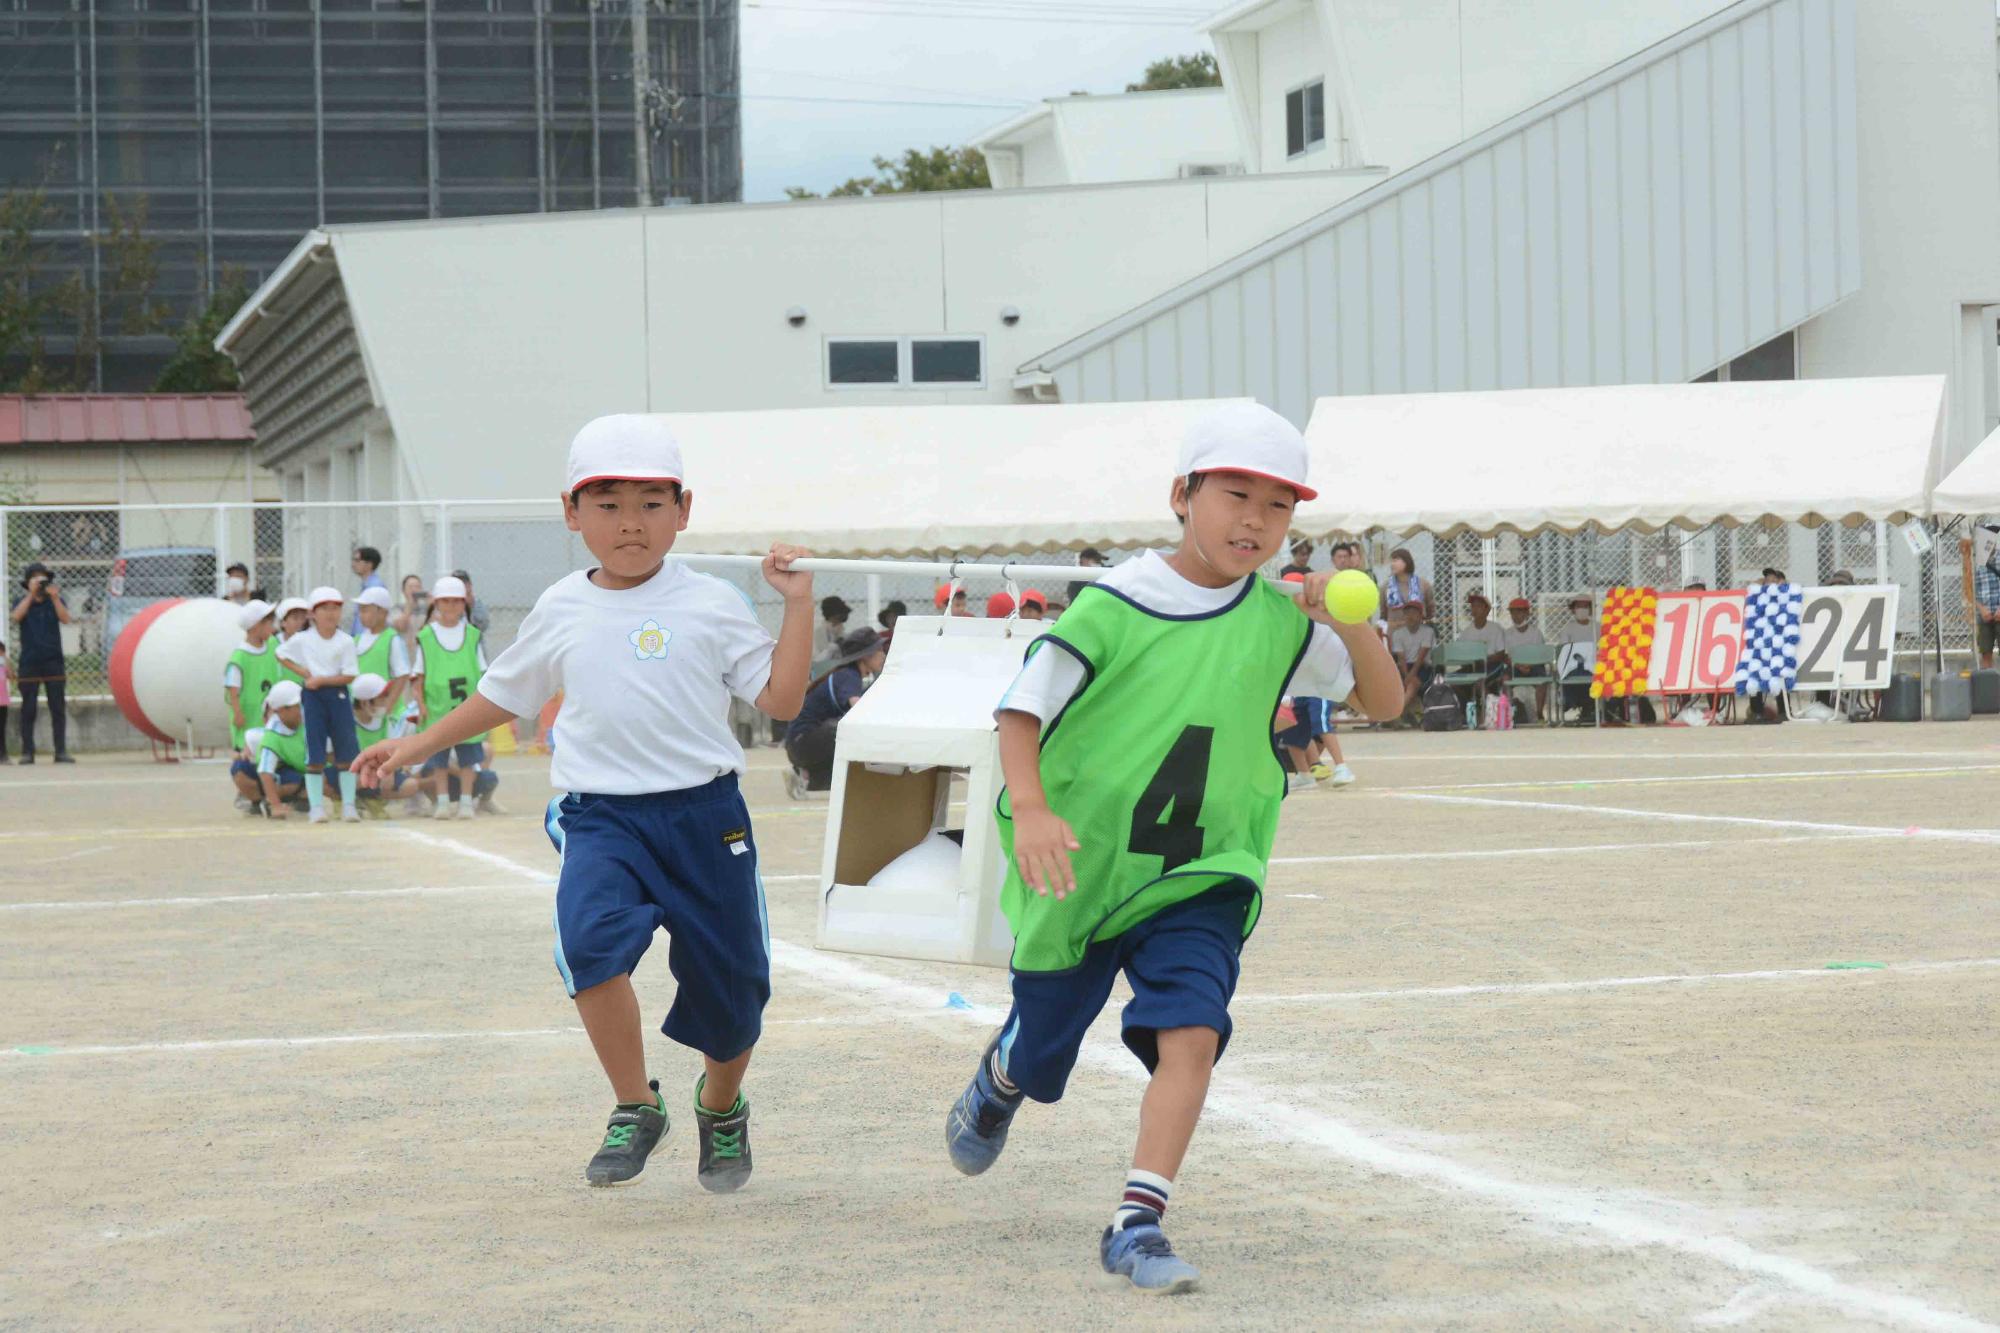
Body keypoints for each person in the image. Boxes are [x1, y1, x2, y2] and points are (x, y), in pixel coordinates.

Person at [944, 402, 1401, 1292]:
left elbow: (1381, 701)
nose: (1255, 520)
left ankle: (1137, 1223)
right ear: (1182, 495)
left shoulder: (1280, 622)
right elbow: (1018, 709)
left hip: (1202, 872)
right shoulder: (1115, 605)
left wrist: (1348, 620)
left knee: (1192, 1031)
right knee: (1043, 1057)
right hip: (1080, 868)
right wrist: (1030, 808)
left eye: (1278, 506)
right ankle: (1003, 1071)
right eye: (1236, 495)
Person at [354, 414, 816, 1193]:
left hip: (708, 818)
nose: (630, 521)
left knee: (735, 990)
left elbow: (783, 697)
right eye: (606, 504)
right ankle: (636, 1103)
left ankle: (721, 1103)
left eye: (650, 502)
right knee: (591, 946)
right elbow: (505, 694)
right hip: (601, 815)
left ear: (684, 509)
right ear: (572, 513)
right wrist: (415, 746)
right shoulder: (562, 605)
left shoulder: (712, 602)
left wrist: (797, 604)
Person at [279, 587, 362, 824]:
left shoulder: (345, 641)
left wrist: (321, 679)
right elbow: (281, 653)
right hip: (313, 696)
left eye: (335, 608)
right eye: (324, 608)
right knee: (314, 749)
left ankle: (348, 805)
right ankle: (316, 807)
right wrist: (304, 673)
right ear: (313, 614)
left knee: (345, 749)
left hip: (337, 694)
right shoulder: (304, 639)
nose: (331, 614)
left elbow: (349, 675)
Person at [412, 575, 490, 821]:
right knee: (439, 760)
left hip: (467, 709)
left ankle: (466, 802)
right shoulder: (426, 636)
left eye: (456, 601)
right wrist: (421, 704)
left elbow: (483, 671)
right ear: (436, 603)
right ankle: (443, 802)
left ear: (464, 603)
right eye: (445, 601)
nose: (451, 606)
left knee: (469, 758)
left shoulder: (472, 635)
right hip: (437, 709)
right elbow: (418, 675)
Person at [783, 628, 887, 797]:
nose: (883, 655)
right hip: (802, 744)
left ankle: (805, 779)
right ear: (865, 655)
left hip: (801, 744)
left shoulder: (847, 674)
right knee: (845, 731)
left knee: (843, 732)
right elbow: (859, 709)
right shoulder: (849, 675)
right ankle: (807, 770)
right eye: (878, 650)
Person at [225, 599, 286, 810]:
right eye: (268, 623)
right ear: (255, 627)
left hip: (268, 714)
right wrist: (237, 712)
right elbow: (232, 688)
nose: (273, 627)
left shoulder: (272, 645)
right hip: (248, 715)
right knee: (247, 754)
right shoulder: (240, 656)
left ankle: (269, 793)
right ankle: (246, 794)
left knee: (268, 752)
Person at [10, 562, 74, 764]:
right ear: (28, 583)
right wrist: (31, 595)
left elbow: (66, 619)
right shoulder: (21, 601)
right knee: (28, 708)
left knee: (58, 707)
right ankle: (27, 752)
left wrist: (54, 597)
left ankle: (60, 751)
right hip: (29, 662)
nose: (39, 582)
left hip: (53, 661)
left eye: (42, 579)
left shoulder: (55, 601)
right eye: (35, 579)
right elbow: (15, 617)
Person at [346, 673, 406, 817]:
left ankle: (372, 799)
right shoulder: (347, 724)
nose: (386, 701)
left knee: (410, 786)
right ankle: (350, 800)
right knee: (351, 779)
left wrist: (389, 770)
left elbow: (394, 751)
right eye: (382, 697)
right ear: (364, 703)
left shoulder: (387, 721)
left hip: (377, 770)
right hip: (353, 772)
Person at [253, 680, 310, 818]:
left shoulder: (307, 718)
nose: (301, 709)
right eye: (297, 706)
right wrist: (276, 805)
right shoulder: (272, 736)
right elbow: (265, 772)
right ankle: (268, 801)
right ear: (282, 710)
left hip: (306, 769)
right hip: (285, 773)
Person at [353, 586, 411, 720]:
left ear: (382, 612)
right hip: (363, 715)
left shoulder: (392, 639)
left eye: (366, 610)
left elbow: (402, 676)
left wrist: (388, 707)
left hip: (384, 716)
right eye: (360, 611)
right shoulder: (356, 640)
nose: (361, 615)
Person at [1499, 596, 1550, 722]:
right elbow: (1505, 656)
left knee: (1542, 680)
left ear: (1527, 613)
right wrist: (1519, 666)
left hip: (1534, 666)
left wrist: (1529, 666)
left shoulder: (1536, 633)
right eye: (1513, 612)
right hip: (1515, 666)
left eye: (1519, 611)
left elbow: (1540, 654)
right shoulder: (1507, 633)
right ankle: (1508, 712)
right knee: (1505, 678)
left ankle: (1539, 714)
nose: (1516, 615)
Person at [1389, 600, 1438, 719]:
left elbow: (1422, 656)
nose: (1410, 616)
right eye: (1407, 613)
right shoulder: (1398, 634)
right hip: (1405, 666)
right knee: (1399, 683)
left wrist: (1410, 677)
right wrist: (1406, 675)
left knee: (1412, 684)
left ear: (1421, 616)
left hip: (1423, 666)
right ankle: (1401, 713)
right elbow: (1401, 658)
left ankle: (1394, 714)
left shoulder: (1428, 632)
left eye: (1414, 613)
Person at [1555, 594, 1598, 722]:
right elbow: (1563, 651)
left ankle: (1589, 707)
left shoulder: (1597, 627)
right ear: (1573, 609)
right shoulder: (1568, 628)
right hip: (1573, 667)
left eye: (1585, 606)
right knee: (1573, 675)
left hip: (1594, 666)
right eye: (1579, 606)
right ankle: (1576, 703)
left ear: (1590, 609)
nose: (1582, 609)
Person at [1380, 547, 1431, 617]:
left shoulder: (1423, 584)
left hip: (1418, 626)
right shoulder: (1386, 586)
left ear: (1406, 561)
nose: (1392, 564)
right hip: (1395, 627)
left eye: (1395, 560)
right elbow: (1383, 613)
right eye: (1391, 561)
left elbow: (1430, 610)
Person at [1976, 541, 2000, 670]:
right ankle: (1986, 686)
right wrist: (1981, 608)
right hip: (1984, 616)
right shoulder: (1975, 562)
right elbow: (1969, 590)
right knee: (1985, 652)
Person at [449, 568, 492, 633]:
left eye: (464, 582)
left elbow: (483, 627)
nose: (461, 585)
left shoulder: (477, 604)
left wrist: (470, 606)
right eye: (457, 583)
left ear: (470, 585)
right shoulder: (445, 604)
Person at [393, 573, 429, 638]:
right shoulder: (397, 608)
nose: (414, 590)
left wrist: (431, 607)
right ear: (403, 590)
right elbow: (401, 627)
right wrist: (409, 604)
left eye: (417, 587)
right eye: (410, 587)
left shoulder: (426, 608)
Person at [0, 639, 11, 763]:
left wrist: (6, 662)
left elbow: (11, 676)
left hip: (3, 702)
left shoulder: (3, 667)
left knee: (2, 729)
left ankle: (3, 754)